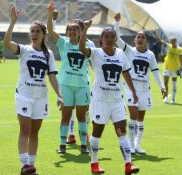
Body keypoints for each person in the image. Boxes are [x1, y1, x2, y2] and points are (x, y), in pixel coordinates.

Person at [4, 5, 63, 175]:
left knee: (35, 132)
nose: (34, 34)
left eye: (37, 31)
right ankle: (24, 165)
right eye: (32, 31)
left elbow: (52, 76)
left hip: (41, 97)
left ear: (44, 34)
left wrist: (59, 95)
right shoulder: (24, 50)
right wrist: (12, 22)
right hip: (24, 95)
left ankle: (31, 164)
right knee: (25, 129)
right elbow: (8, 44)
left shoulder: (48, 54)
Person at [79, 20, 139, 174]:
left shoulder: (120, 53)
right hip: (100, 101)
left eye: (113, 36)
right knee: (97, 132)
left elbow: (125, 72)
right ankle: (94, 164)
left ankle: (128, 165)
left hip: (117, 100)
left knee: (122, 132)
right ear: (101, 39)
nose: (110, 39)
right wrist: (84, 30)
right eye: (107, 36)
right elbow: (81, 48)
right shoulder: (95, 52)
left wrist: (133, 91)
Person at [114, 13, 167, 154]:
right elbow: (117, 39)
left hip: (145, 90)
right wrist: (117, 22)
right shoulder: (129, 50)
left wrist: (162, 86)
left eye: (143, 37)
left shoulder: (150, 55)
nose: (140, 39)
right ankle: (131, 145)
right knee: (132, 115)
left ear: (146, 41)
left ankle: (137, 145)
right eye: (138, 37)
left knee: (140, 118)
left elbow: (155, 71)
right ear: (134, 40)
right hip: (132, 89)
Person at [47, 1, 91, 154]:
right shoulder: (63, 43)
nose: (72, 32)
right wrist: (51, 17)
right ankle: (62, 145)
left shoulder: (88, 44)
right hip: (65, 84)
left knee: (81, 116)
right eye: (70, 30)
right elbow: (50, 31)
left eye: (76, 29)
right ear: (67, 32)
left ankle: (84, 146)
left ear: (80, 32)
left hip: (82, 85)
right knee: (65, 115)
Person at [154, 31, 182, 104]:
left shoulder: (179, 49)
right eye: (171, 41)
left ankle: (173, 99)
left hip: (175, 69)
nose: (172, 42)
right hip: (167, 67)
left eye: (173, 41)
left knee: (174, 84)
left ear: (176, 41)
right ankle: (166, 97)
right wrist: (155, 33)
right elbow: (160, 41)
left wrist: (181, 69)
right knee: (165, 83)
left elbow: (180, 59)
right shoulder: (169, 46)